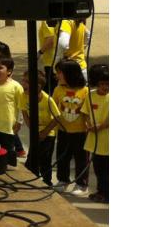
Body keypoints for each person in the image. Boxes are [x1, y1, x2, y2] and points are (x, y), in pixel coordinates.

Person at [52, 60, 91, 197]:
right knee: (62, 157)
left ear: (70, 74)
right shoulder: (58, 89)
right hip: (63, 131)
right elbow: (53, 108)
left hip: (81, 132)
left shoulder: (85, 91)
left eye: (59, 73)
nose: (57, 75)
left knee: (81, 158)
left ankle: (82, 184)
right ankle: (63, 180)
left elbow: (88, 111)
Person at [21, 70, 60, 187]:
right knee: (32, 156)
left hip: (48, 133)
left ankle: (47, 181)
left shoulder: (48, 100)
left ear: (38, 86)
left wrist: (45, 132)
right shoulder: (23, 96)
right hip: (35, 132)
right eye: (23, 81)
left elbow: (57, 118)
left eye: (26, 82)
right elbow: (24, 112)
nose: (23, 84)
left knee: (44, 158)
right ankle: (33, 178)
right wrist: (31, 128)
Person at [83, 64, 109, 203]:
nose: (105, 87)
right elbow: (85, 112)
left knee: (107, 169)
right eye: (102, 84)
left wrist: (100, 126)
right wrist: (88, 124)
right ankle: (101, 191)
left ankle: (106, 193)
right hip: (95, 140)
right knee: (98, 168)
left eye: (108, 84)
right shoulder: (90, 96)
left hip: (107, 140)